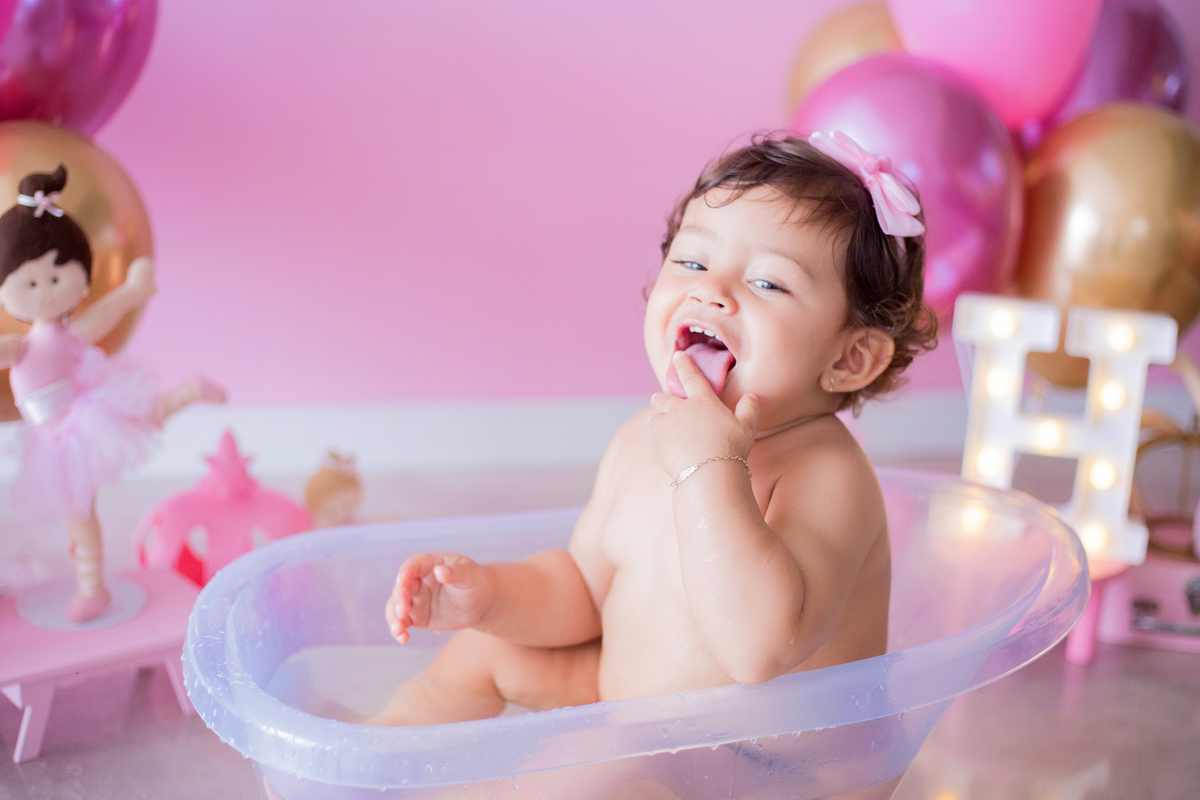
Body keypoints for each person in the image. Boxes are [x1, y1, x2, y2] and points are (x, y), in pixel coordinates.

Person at [374, 131, 936, 724]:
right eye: (692, 261)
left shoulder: (829, 475)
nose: (711, 290)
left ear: (848, 359)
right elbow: (583, 592)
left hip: (759, 767)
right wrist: (488, 595)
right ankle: (378, 762)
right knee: (485, 650)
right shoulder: (639, 440)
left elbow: (760, 649)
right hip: (635, 717)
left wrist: (708, 467)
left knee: (593, 773)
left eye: (768, 282)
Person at [0, 166, 225, 623]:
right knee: (123, 442)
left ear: (81, 276)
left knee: (83, 509)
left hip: (74, 424)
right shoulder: (21, 345)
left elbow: (102, 315)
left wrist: (135, 290)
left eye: (57, 277)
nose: (44, 292)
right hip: (53, 435)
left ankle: (93, 587)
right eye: (29, 283)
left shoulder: (64, 334)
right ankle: (187, 393)